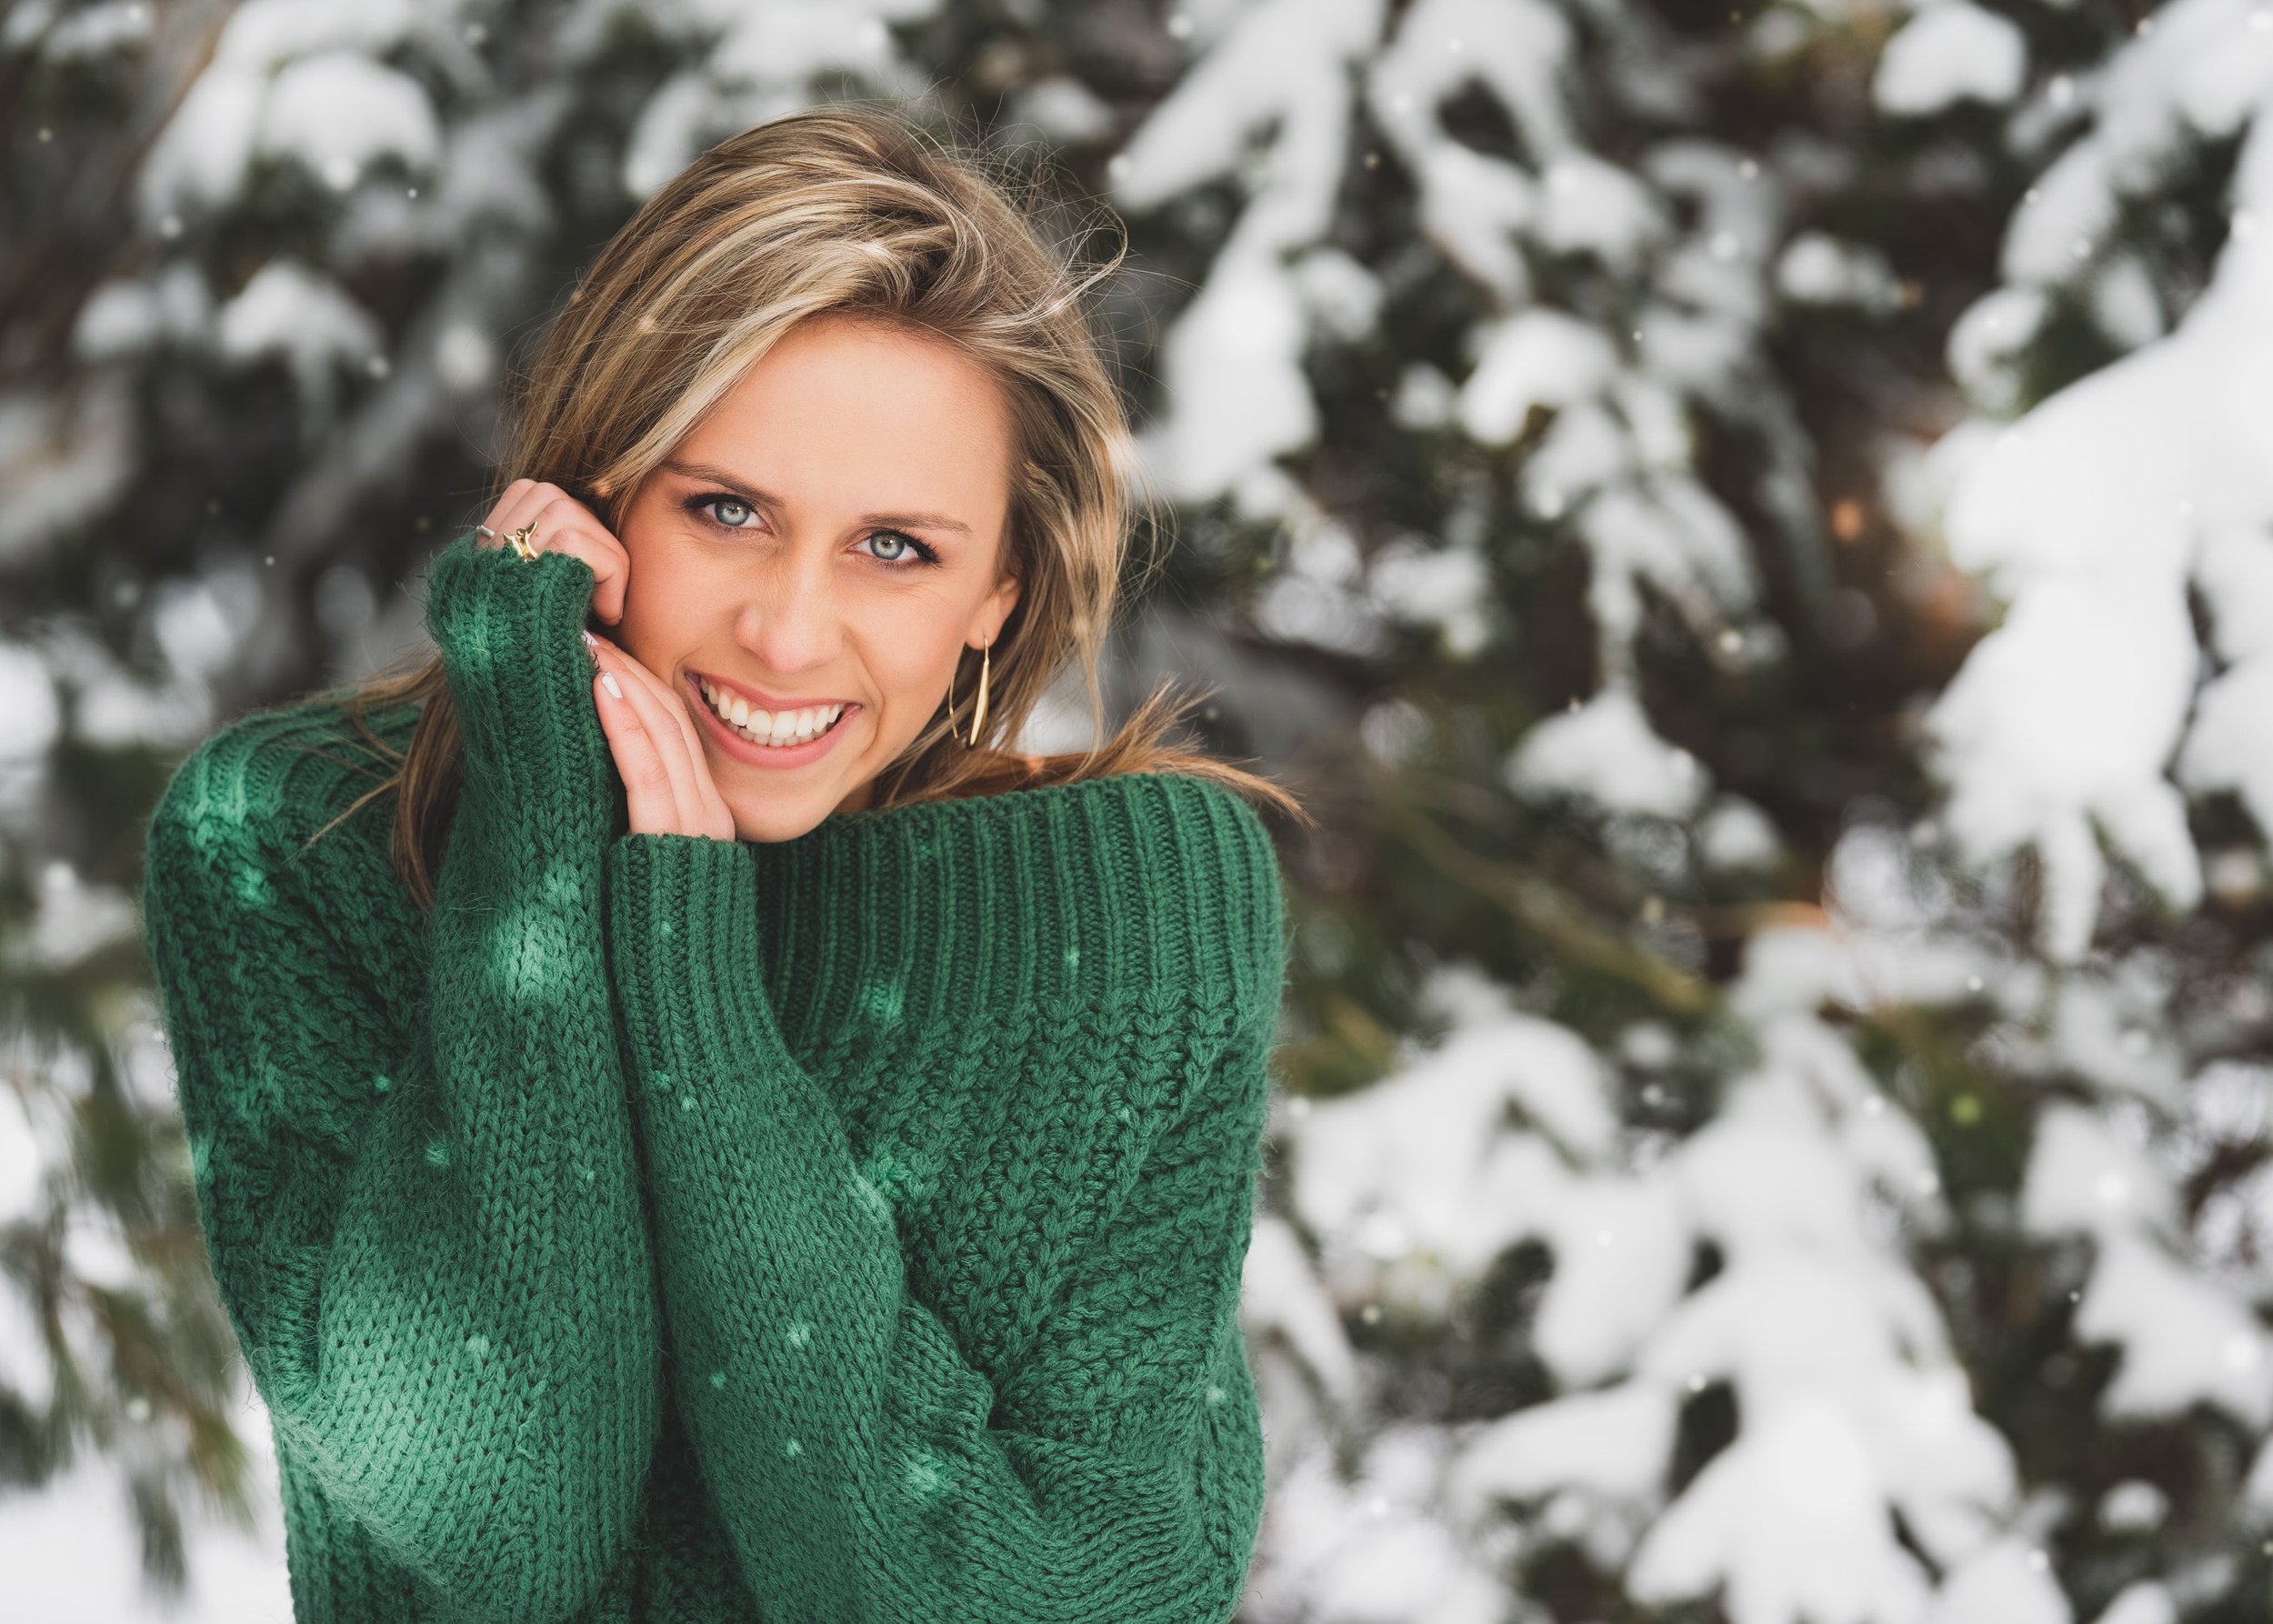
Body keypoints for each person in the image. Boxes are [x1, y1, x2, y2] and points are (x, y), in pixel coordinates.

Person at [137, 103, 1307, 1624]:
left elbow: (1074, 1597)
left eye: (897, 548)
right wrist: (541, 836)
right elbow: (503, 1508)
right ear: (599, 493)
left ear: (997, 596)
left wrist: (697, 1001)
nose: (789, 629)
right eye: (727, 508)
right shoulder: (297, 849)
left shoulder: (1136, 912)